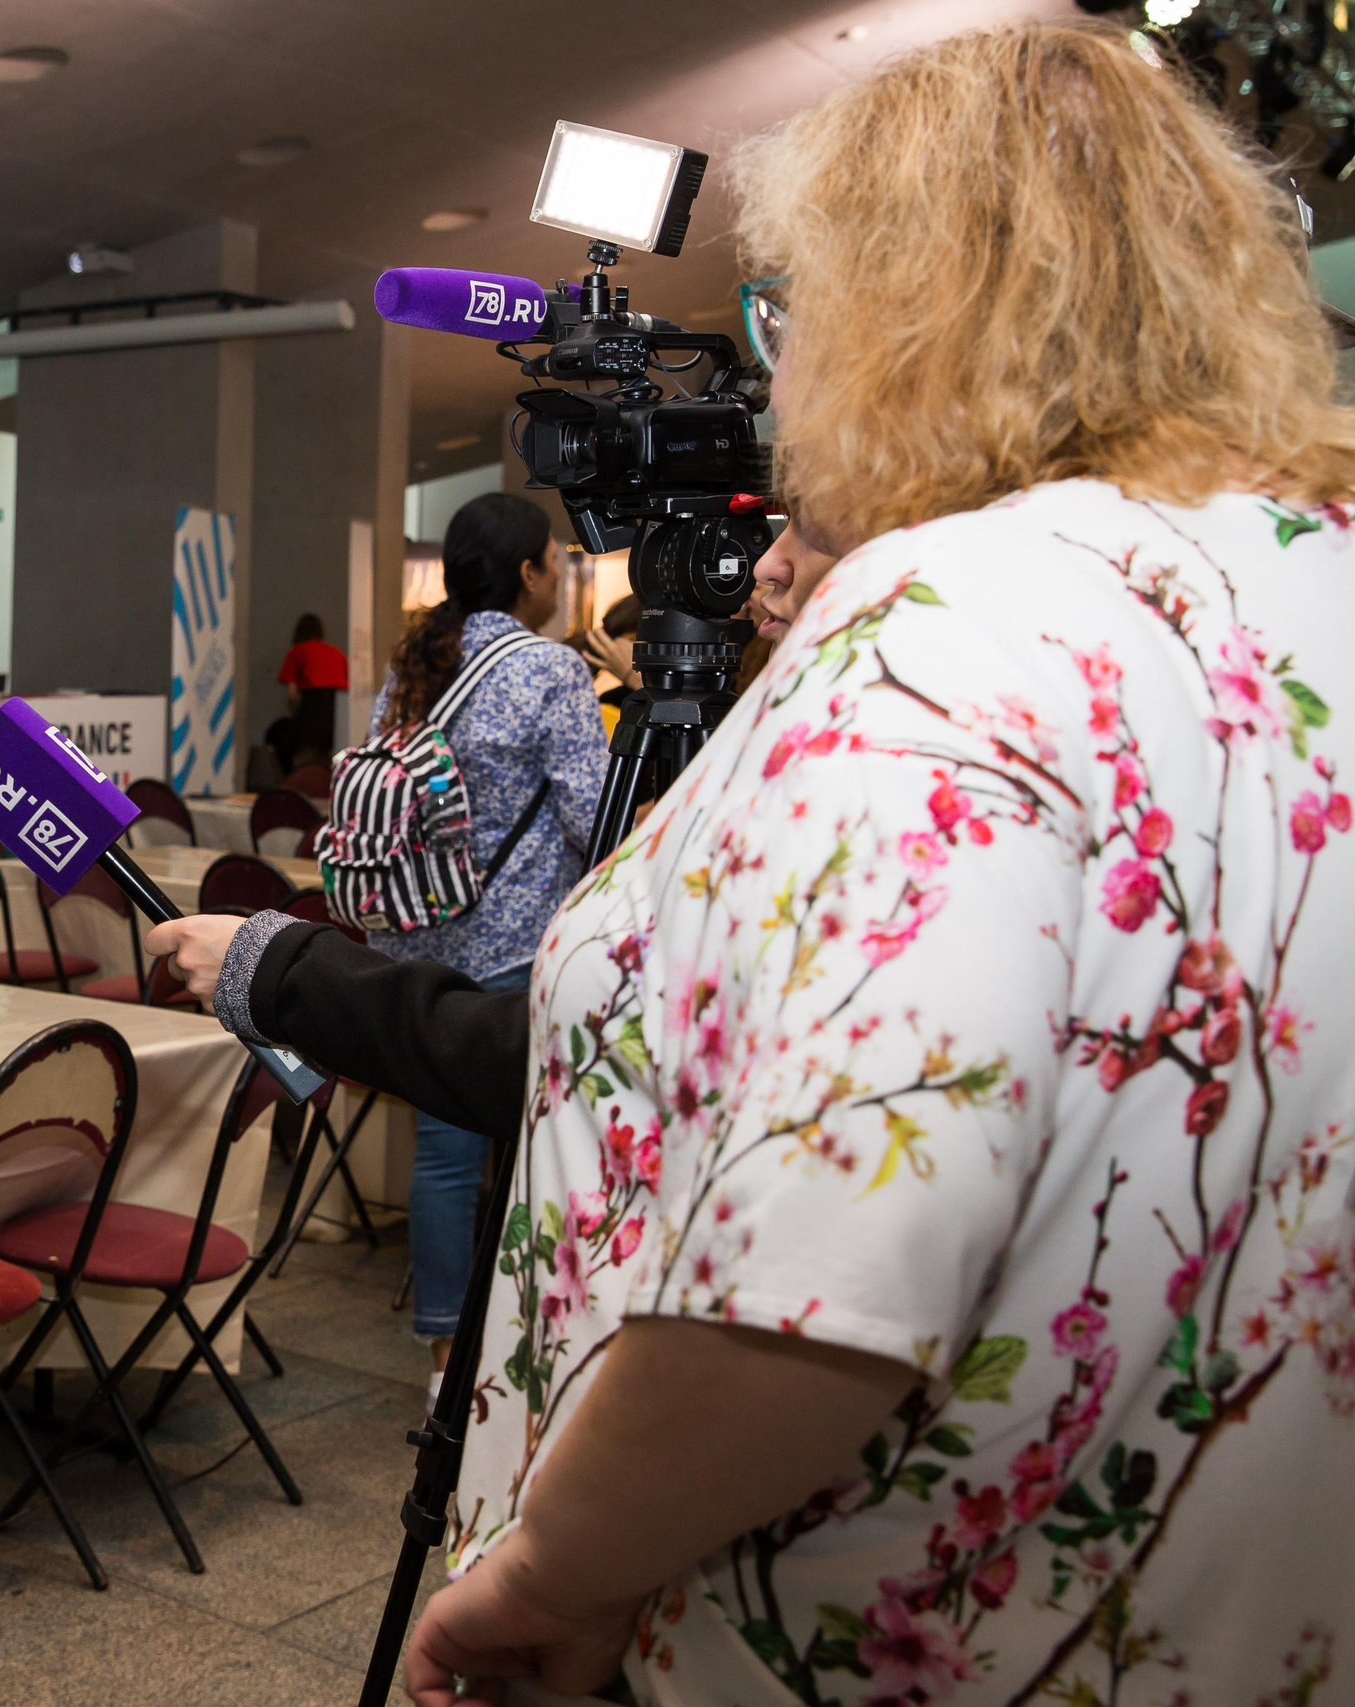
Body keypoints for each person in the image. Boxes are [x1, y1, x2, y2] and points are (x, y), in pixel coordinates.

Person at [150, 24, 1355, 1704]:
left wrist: (558, 1573)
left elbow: (820, 1283)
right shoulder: (1309, 593)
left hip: (881, 1629)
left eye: (792, 315)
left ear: (900, 318)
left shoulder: (953, 633)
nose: (778, 378)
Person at [368, 492, 606, 1407]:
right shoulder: (549, 668)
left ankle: (441, 1376)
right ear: (526, 573)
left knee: (443, 1158)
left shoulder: (417, 662)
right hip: (509, 946)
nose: (557, 574)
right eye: (551, 559)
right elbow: (591, 818)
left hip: (417, 941)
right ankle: (520, 1353)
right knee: (525, 1160)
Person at [275, 611, 349, 770]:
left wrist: (297, 717)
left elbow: (292, 694)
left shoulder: (297, 652)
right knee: (330, 759)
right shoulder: (337, 653)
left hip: (312, 708)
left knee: (304, 758)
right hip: (338, 710)